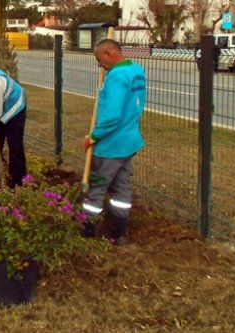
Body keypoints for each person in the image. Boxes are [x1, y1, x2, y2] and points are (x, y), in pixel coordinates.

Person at [82, 39, 147, 245]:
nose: (99, 65)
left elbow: (111, 116)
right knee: (121, 188)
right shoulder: (136, 70)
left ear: (109, 54)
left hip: (111, 146)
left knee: (97, 189)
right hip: (129, 142)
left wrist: (93, 136)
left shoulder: (116, 77)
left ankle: (88, 232)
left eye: (99, 60)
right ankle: (120, 233)